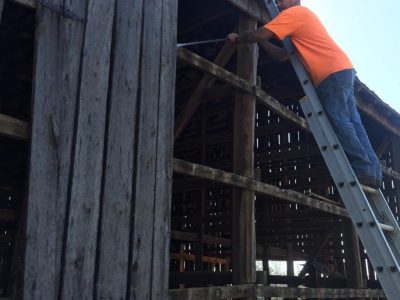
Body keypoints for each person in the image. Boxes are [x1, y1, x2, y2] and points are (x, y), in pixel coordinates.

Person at [227, 0, 382, 188]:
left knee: (339, 121)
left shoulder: (295, 13)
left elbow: (262, 33)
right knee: (354, 124)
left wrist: (239, 38)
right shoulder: (301, 20)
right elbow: (282, 55)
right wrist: (262, 41)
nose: (277, 3)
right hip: (342, 69)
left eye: (281, 0)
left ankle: (364, 169)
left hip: (329, 73)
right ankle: (373, 172)